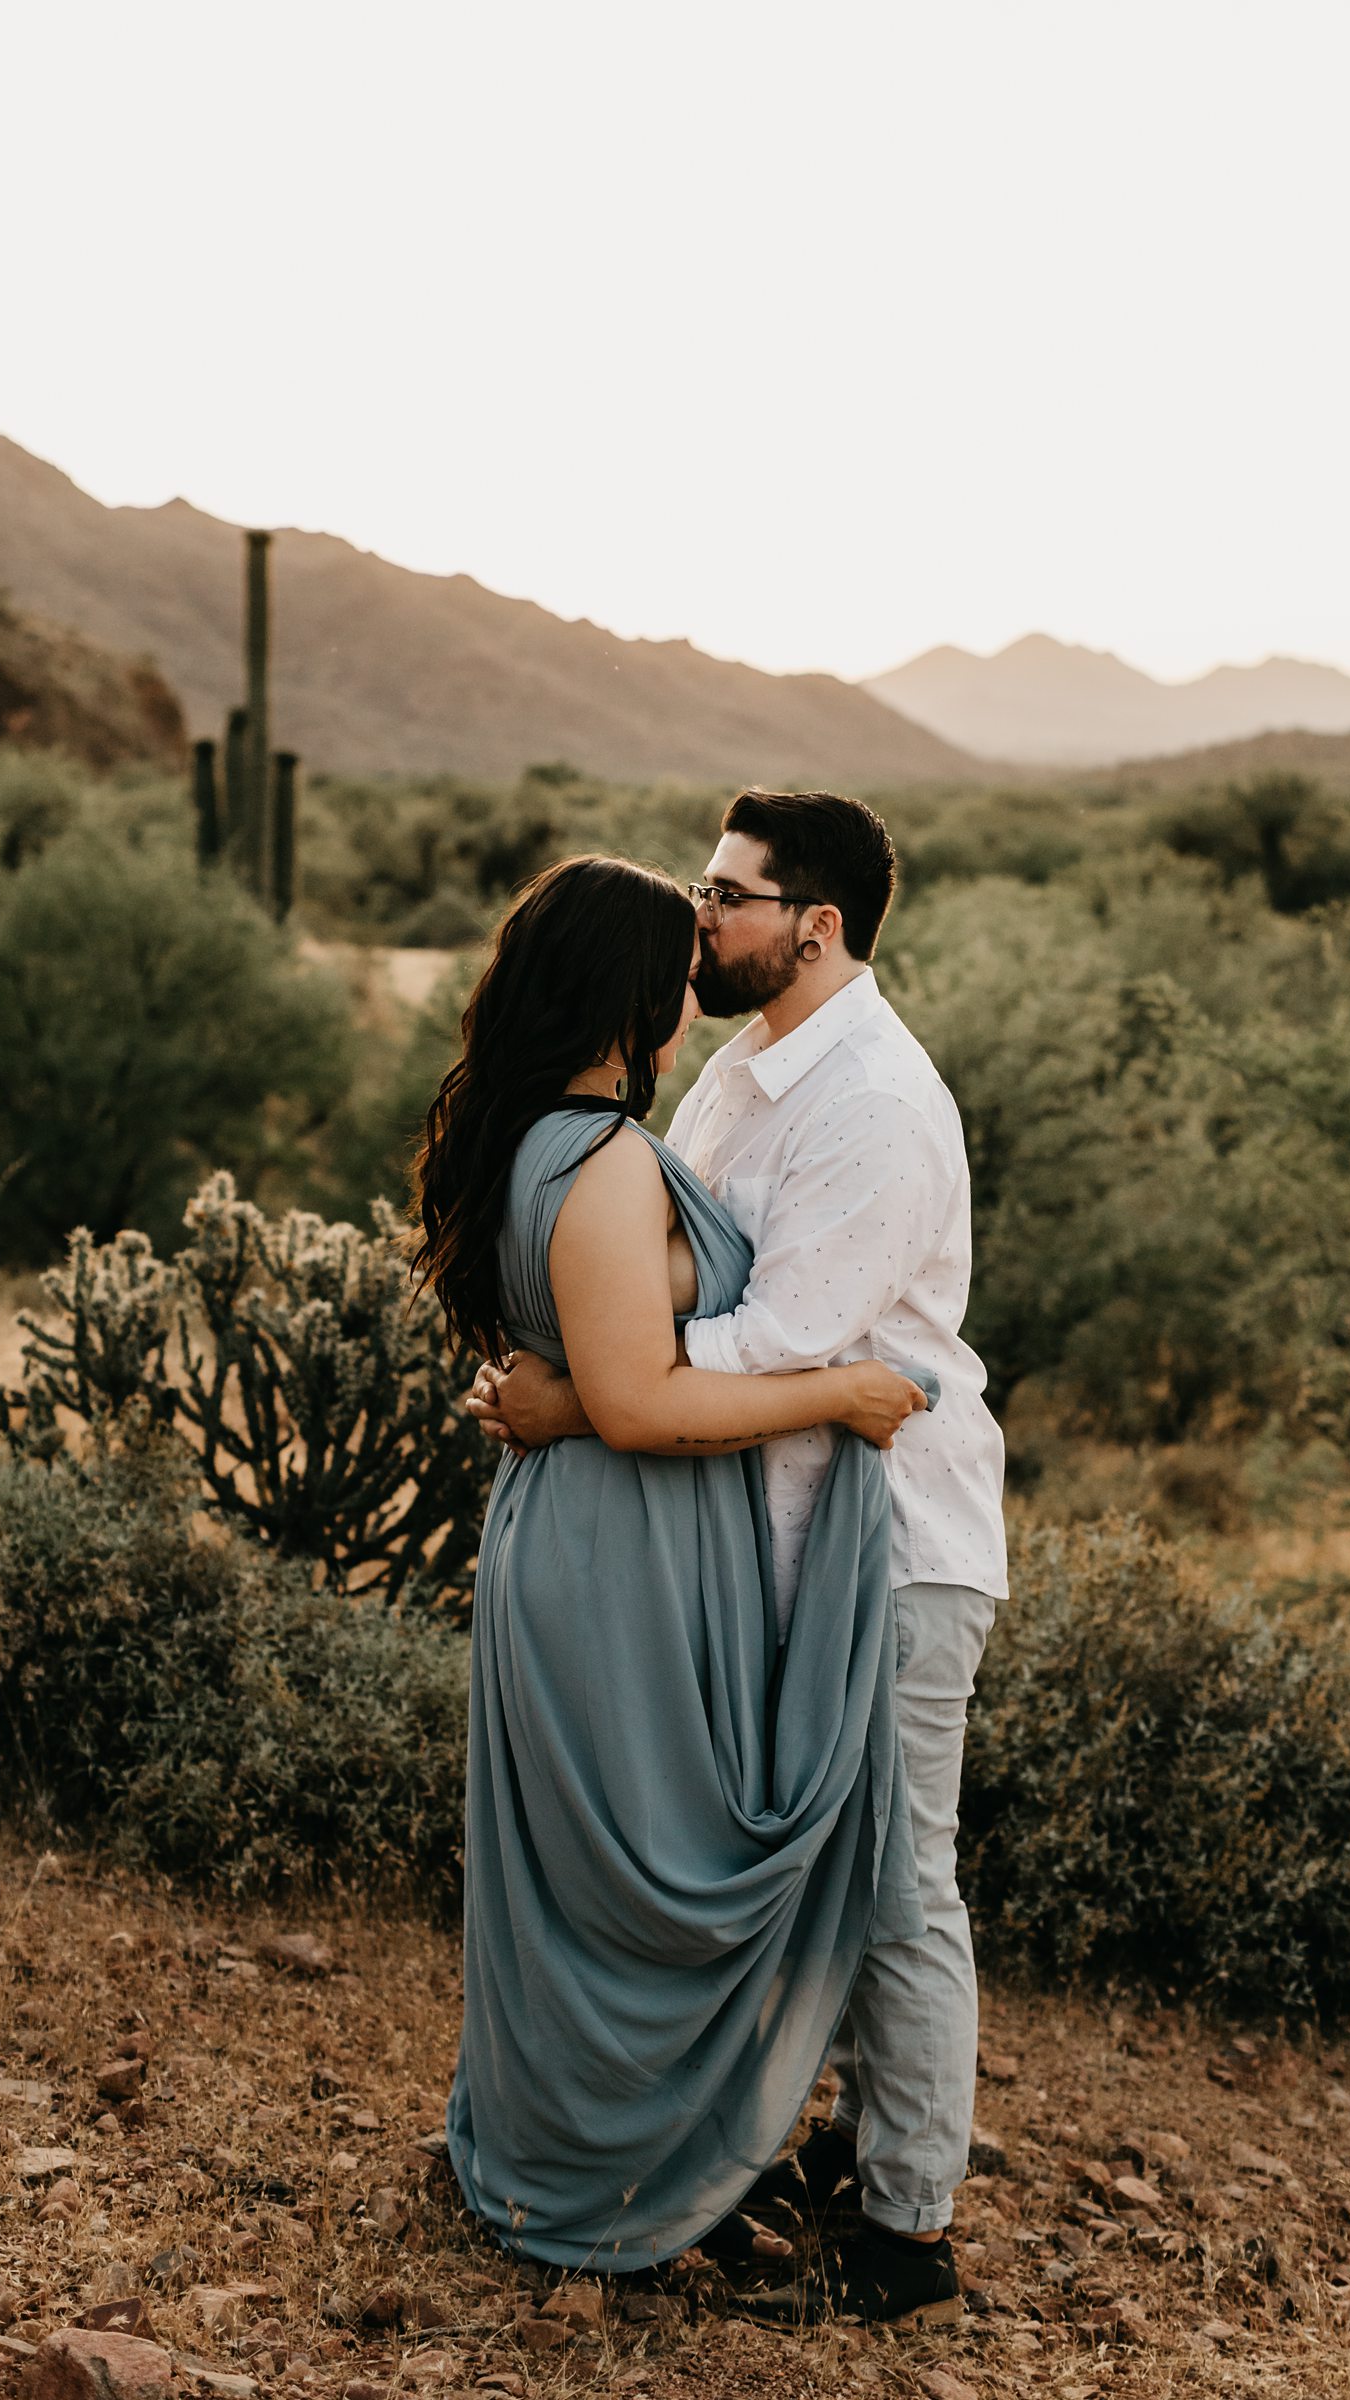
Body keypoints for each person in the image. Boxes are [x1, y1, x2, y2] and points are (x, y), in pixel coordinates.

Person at [471, 790, 1008, 2327]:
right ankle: (739, 2143)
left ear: (813, 926)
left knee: (897, 1884)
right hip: (751, 1540)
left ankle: (904, 2219)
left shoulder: (878, 1107)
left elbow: (782, 1338)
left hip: (889, 1548)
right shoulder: (736, 1076)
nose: (698, 920)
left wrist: (580, 1395)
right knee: (776, 1874)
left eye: (726, 895)